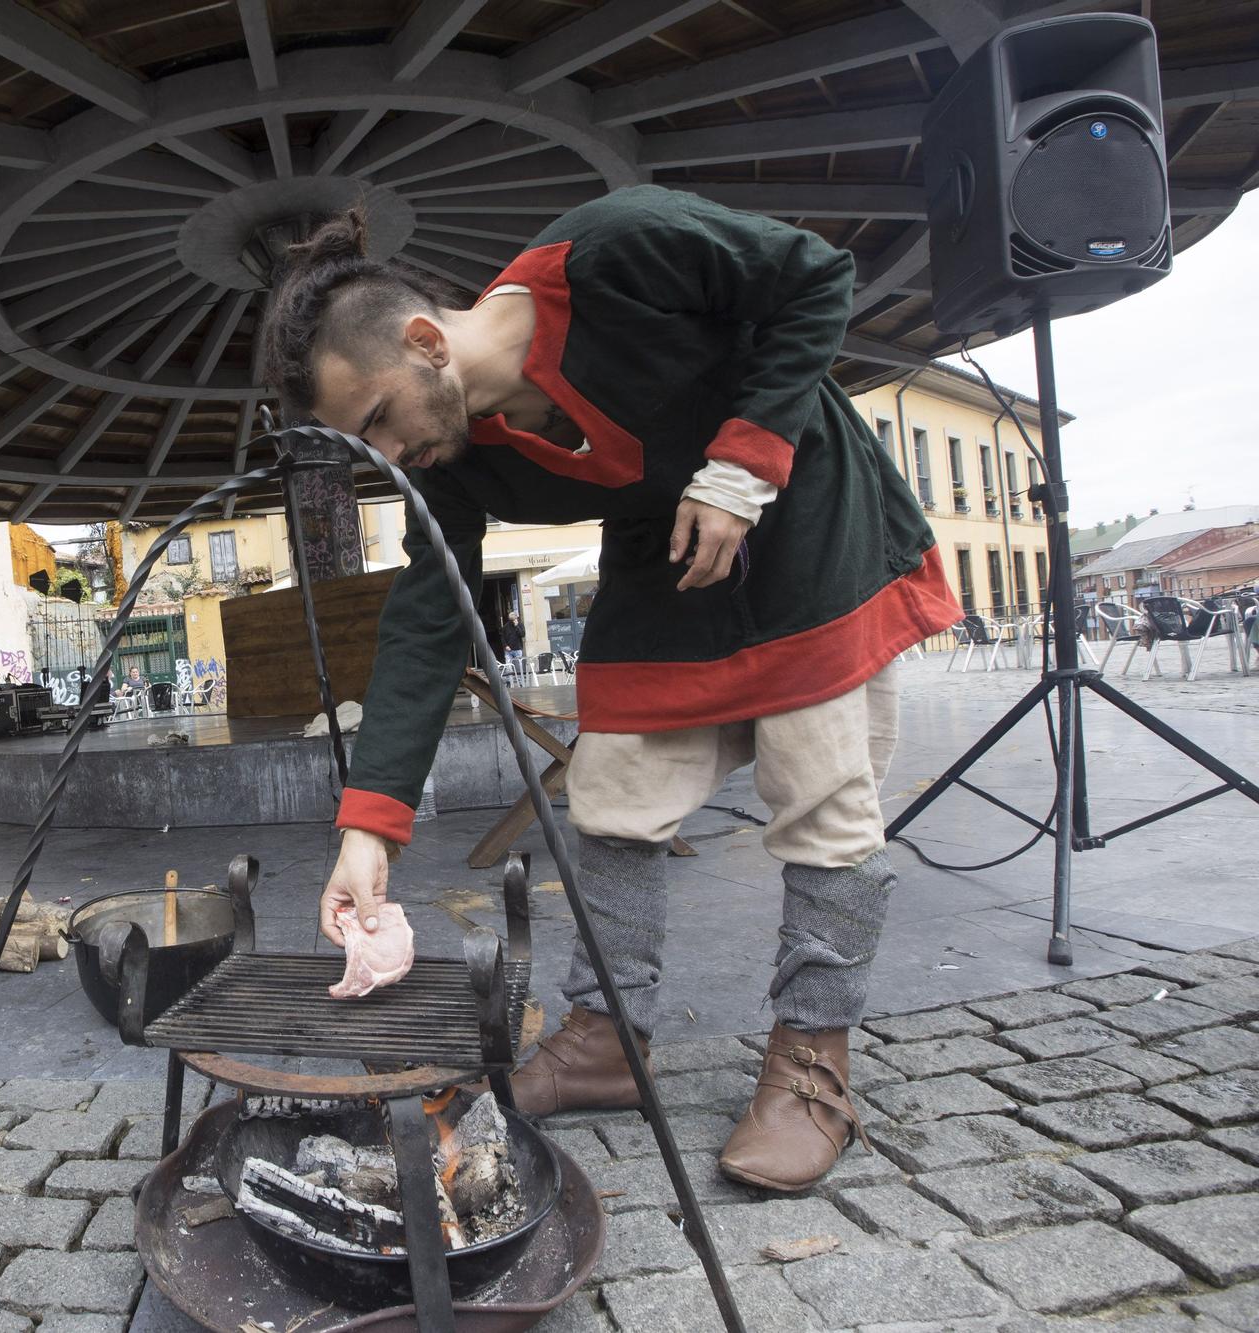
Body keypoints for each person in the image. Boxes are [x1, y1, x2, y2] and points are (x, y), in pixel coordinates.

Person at [260, 186, 961, 1192]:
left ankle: (813, 1061)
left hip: (806, 512)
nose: (391, 456)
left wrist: (742, 464)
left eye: (380, 420)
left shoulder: (618, 249)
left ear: (425, 341)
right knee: (613, 788)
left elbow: (813, 277)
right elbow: (428, 614)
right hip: (662, 548)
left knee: (822, 796)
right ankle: (605, 1037)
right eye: (368, 446)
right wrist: (368, 831)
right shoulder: (450, 460)